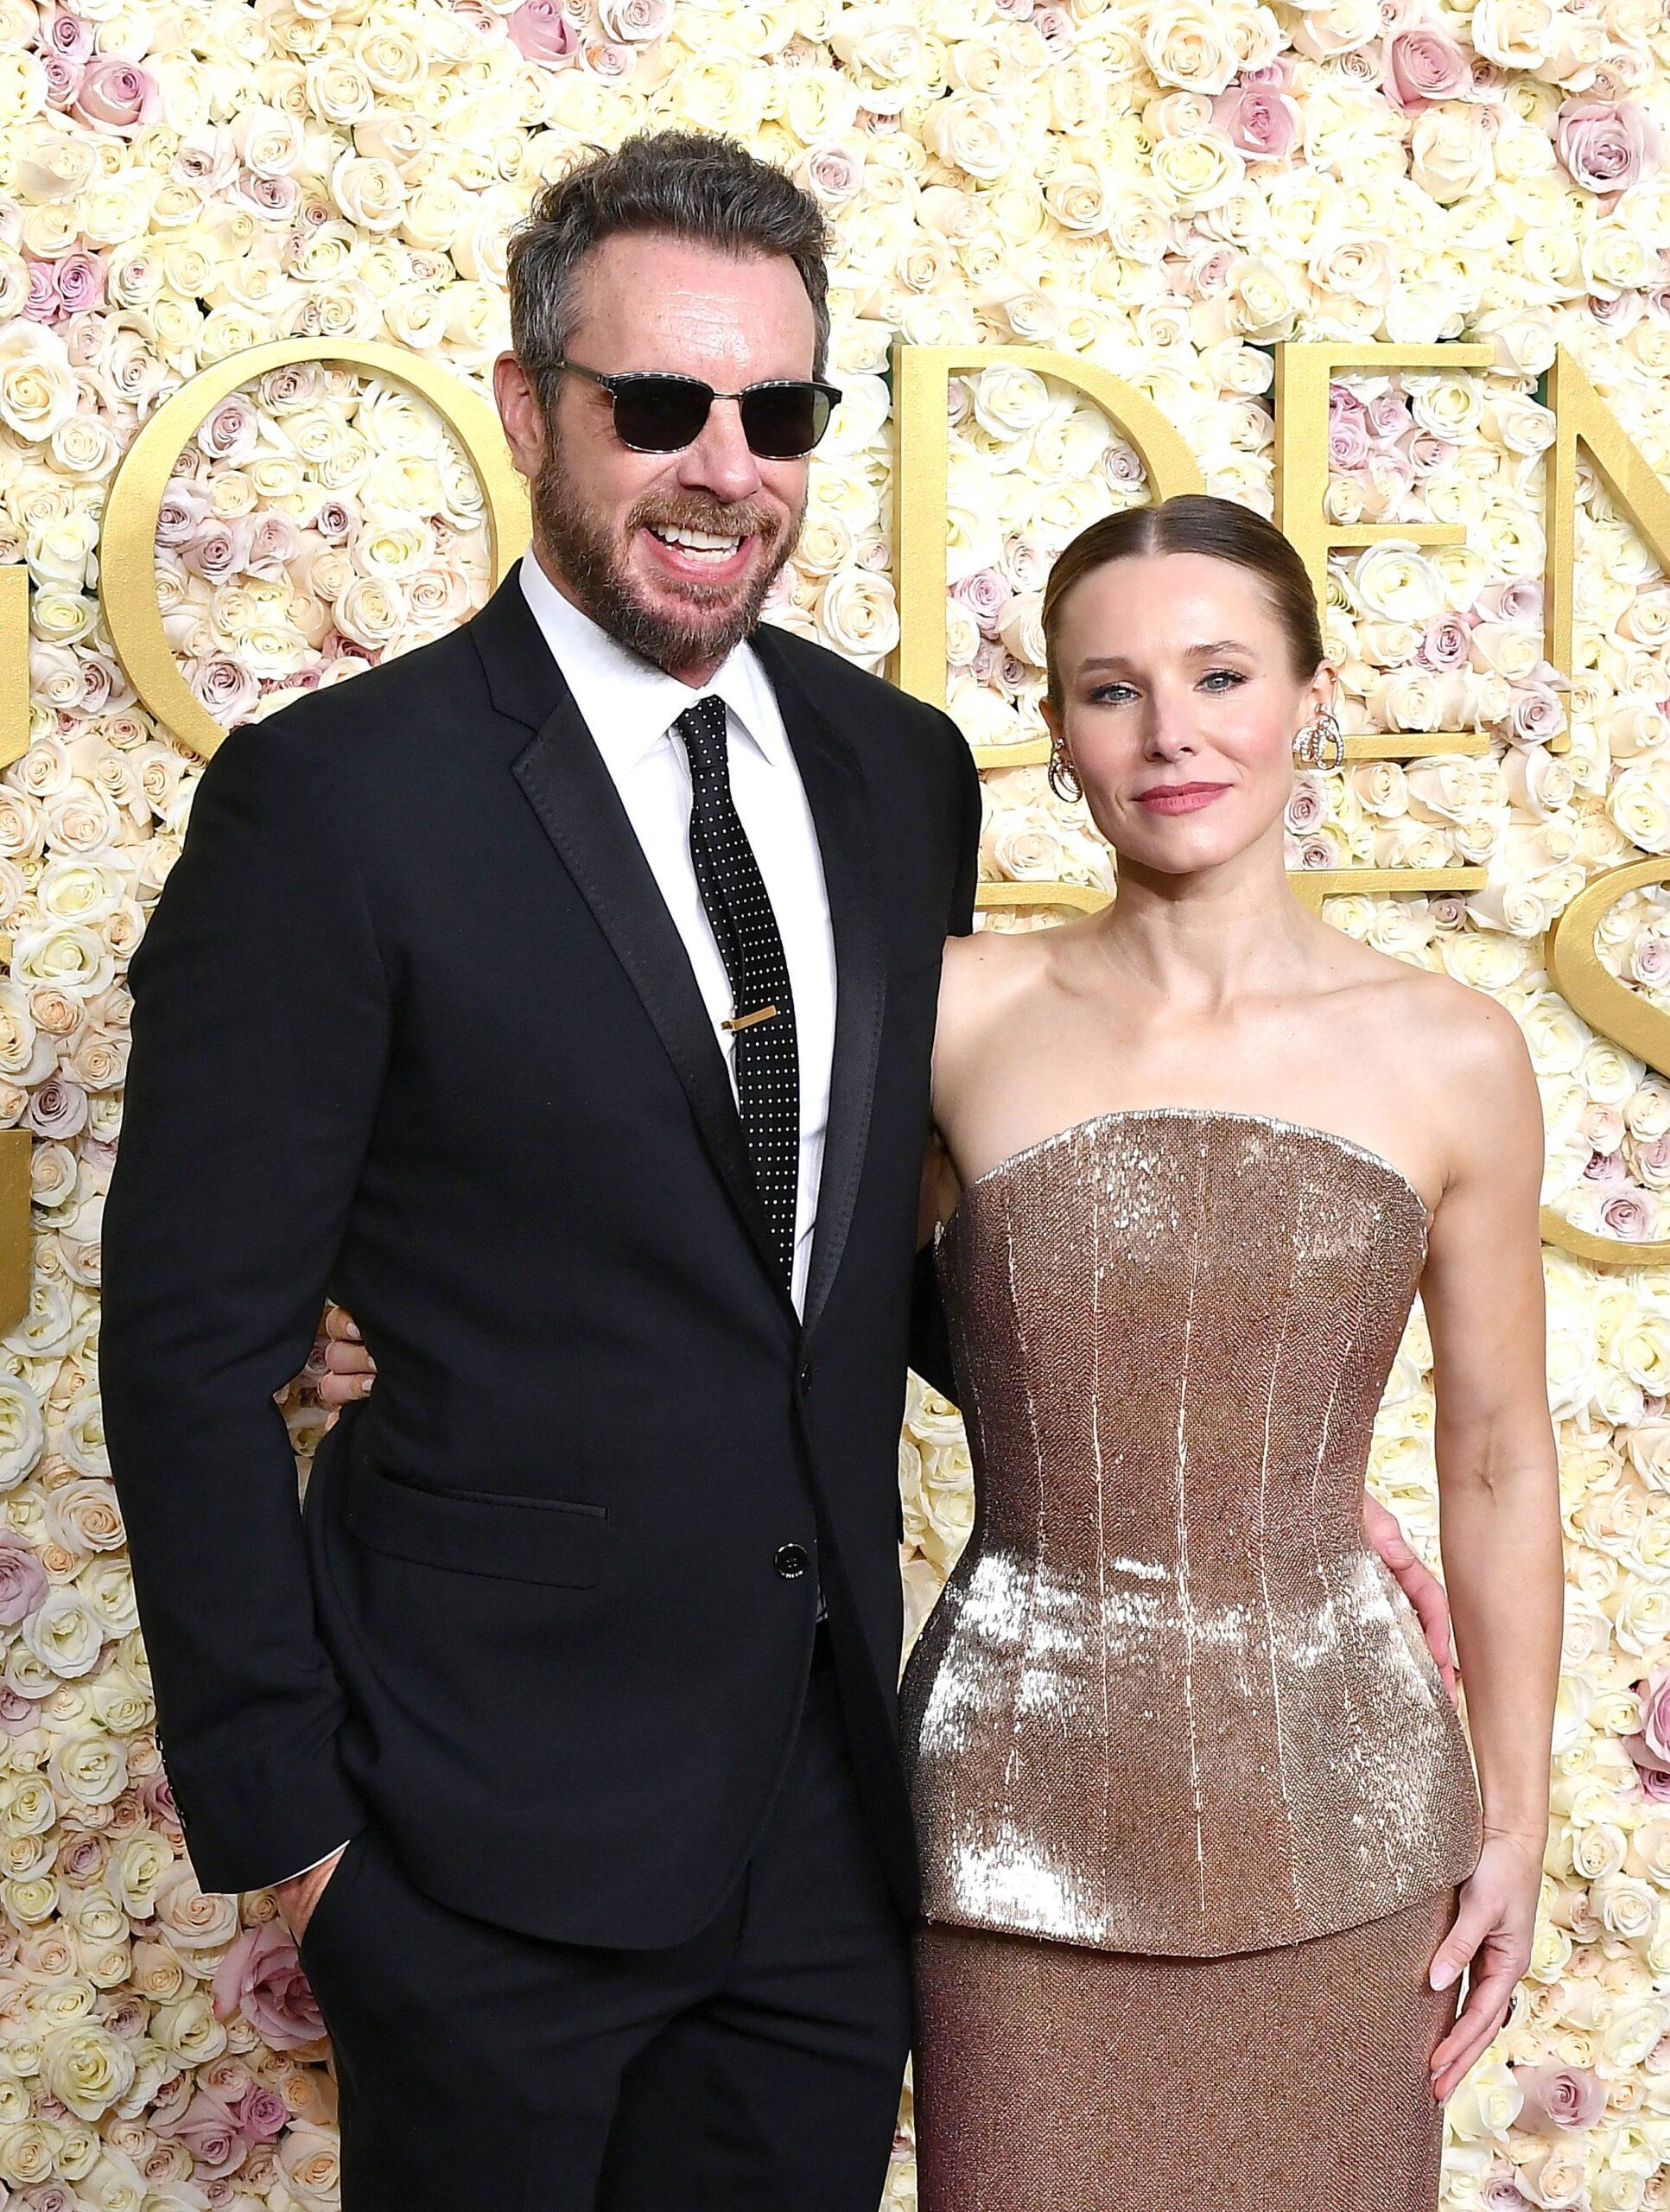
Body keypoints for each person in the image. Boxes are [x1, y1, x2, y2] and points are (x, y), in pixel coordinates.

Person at [99, 133, 981, 2210]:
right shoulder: (335, 802)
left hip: (823, 1841)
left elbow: (854, 1258)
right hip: (467, 1842)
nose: (722, 468)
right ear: (524, 405)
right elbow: (190, 1344)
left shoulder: (899, 775)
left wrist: (1248, 1481)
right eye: (656, 404)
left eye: (777, 413)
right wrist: (302, 1840)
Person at [898, 493, 1561, 2211]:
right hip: (1013, 1824)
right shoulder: (946, 1011)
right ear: (1059, 733)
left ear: (1310, 698)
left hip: (1352, 1822)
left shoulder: (1451, 1050)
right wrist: (393, 1318)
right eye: (1112, 689)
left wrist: (1513, 1818)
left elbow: (1498, 1454)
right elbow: (711, 1281)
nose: (1170, 733)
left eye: (1219, 675)